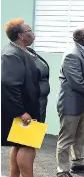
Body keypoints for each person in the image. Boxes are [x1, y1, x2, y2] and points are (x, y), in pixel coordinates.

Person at [1, 18, 41, 177]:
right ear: (21, 36)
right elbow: (9, 85)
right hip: (22, 110)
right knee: (27, 145)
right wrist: (20, 112)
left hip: (29, 106)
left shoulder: (25, 50)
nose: (33, 33)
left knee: (19, 144)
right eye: (29, 30)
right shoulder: (11, 54)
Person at [56, 26, 84, 177]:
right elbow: (77, 83)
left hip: (81, 102)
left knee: (79, 135)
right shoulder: (72, 54)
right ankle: (62, 170)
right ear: (83, 38)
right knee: (66, 138)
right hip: (70, 103)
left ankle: (77, 163)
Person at [26, 47, 50, 123]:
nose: (33, 35)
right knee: (27, 130)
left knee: (38, 127)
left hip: (41, 101)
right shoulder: (16, 57)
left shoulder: (32, 52)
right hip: (30, 103)